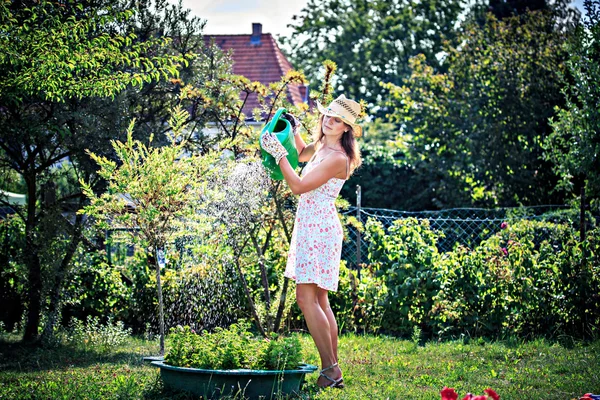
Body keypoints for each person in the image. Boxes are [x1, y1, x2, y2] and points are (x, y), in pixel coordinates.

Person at [260, 94, 363, 389]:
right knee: (319, 300)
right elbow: (302, 153)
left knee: (306, 300)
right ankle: (333, 369)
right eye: (327, 116)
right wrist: (292, 131)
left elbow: (298, 185)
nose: (329, 121)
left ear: (346, 128)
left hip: (318, 228)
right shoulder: (322, 147)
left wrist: (278, 153)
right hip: (314, 226)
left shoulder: (338, 159)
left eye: (336, 120)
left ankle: (331, 370)